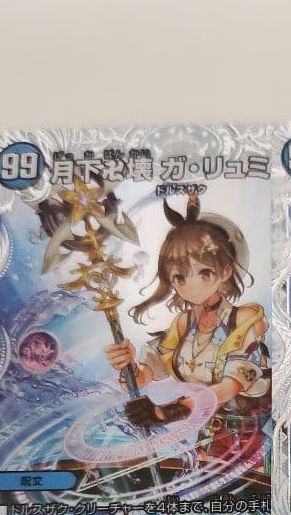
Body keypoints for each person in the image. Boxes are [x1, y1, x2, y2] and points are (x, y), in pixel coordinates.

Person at [105, 193, 269, 459]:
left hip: (246, 440)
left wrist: (165, 412)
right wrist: (128, 366)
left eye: (203, 273)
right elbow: (148, 373)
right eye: (179, 278)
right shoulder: (183, 324)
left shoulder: (244, 319)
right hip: (204, 437)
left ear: (225, 271)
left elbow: (231, 386)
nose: (189, 286)